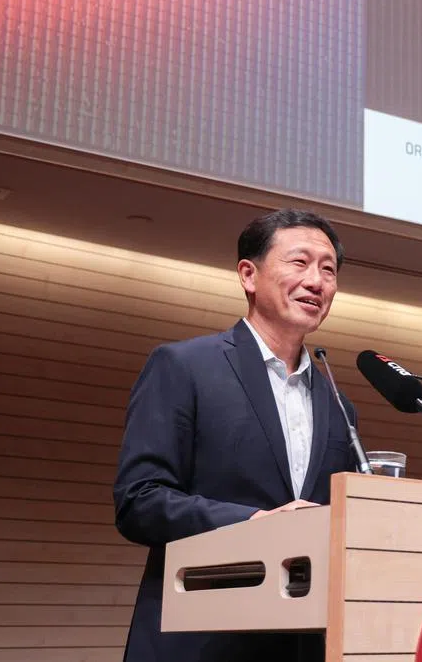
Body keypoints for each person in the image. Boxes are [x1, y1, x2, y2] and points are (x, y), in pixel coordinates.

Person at [113, 209, 358, 662]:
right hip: (200, 637)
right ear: (248, 275)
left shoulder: (338, 405)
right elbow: (139, 502)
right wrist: (255, 523)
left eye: (328, 269)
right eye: (299, 262)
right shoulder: (185, 367)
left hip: (300, 644)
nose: (316, 281)